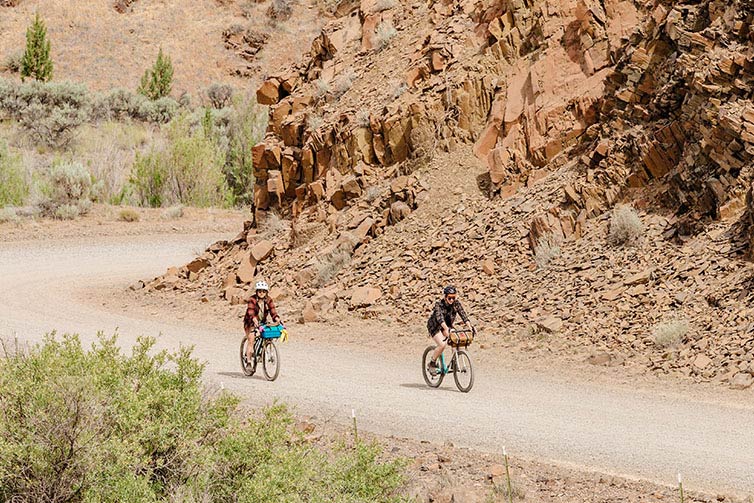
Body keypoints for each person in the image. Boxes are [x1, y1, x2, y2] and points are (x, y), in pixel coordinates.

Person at [426, 285, 474, 373]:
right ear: (445, 297)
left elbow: (463, 315)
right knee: (442, 344)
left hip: (447, 325)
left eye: (453, 298)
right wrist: (446, 329)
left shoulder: (456, 304)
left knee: (457, 340)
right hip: (435, 326)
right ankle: (432, 363)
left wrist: (469, 326)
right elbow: (440, 319)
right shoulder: (439, 305)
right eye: (449, 298)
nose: (452, 300)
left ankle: (454, 363)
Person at [243, 280, 281, 362]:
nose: (261, 293)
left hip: (262, 322)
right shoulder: (252, 299)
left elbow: (272, 310)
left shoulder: (268, 300)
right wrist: (254, 319)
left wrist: (276, 318)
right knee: (251, 340)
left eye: (263, 291)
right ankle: (248, 360)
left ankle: (261, 353)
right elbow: (250, 311)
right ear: (257, 291)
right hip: (250, 322)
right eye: (259, 291)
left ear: (266, 292)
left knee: (268, 336)